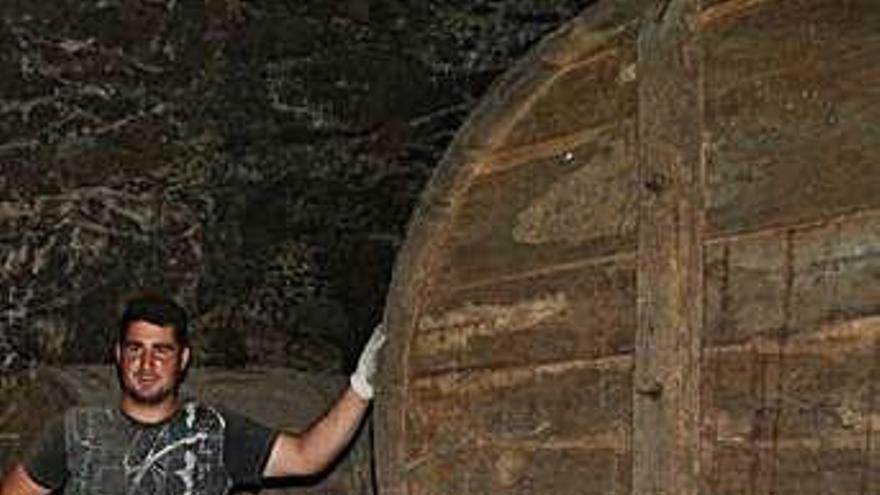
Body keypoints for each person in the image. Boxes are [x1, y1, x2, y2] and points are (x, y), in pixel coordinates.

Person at [0, 294, 386, 495]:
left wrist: (362, 384)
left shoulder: (212, 430)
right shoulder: (76, 430)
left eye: (161, 351)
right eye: (136, 349)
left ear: (182, 358)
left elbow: (307, 457)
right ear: (118, 355)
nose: (146, 364)